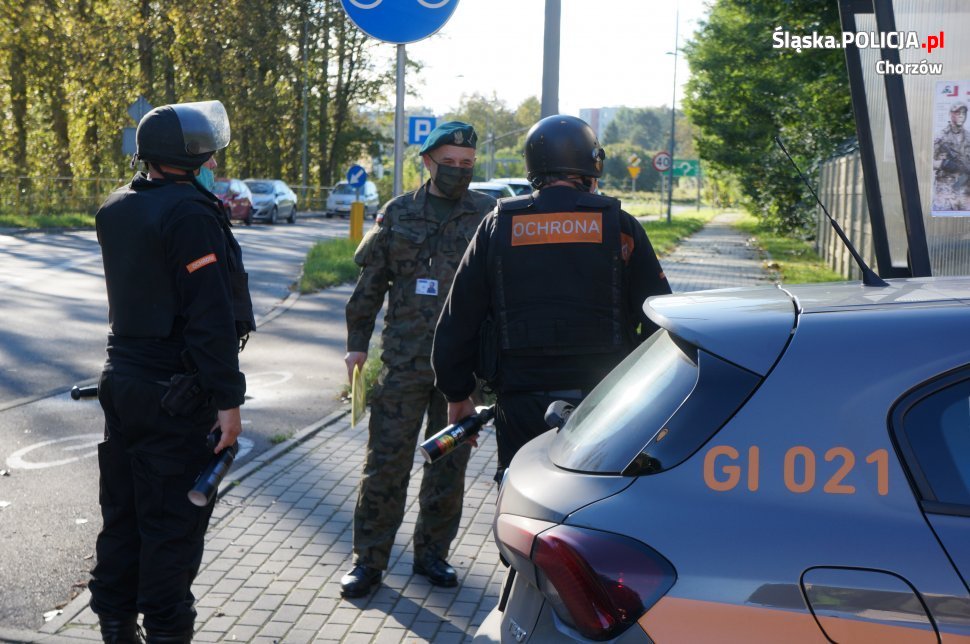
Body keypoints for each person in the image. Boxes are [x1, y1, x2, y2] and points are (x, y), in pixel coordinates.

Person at [90, 100, 255, 644]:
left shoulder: (117, 206)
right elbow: (209, 319)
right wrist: (228, 403)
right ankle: (165, 632)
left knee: (124, 516)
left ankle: (115, 626)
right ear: (191, 156)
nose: (212, 160)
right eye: (206, 153)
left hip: (124, 381)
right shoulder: (190, 213)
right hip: (177, 395)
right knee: (171, 532)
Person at [431, 114, 671, 483]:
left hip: (520, 402)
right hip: (605, 402)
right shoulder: (620, 226)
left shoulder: (497, 225)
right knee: (596, 495)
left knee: (523, 497)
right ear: (590, 168)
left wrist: (456, 392)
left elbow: (458, 319)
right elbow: (660, 318)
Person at [341, 121, 496, 598]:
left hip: (460, 374)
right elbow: (369, 289)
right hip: (404, 364)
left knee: (447, 467)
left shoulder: (490, 215)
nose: (456, 171)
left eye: (465, 164)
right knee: (385, 464)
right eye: (448, 163)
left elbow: (502, 295)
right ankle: (368, 562)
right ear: (428, 162)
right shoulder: (399, 213)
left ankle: (432, 555)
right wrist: (356, 345)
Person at [933, 102, 970, 212]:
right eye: (957, 112)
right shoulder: (940, 136)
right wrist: (942, 164)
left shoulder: (968, 137)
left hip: (965, 191)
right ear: (950, 114)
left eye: (963, 113)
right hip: (945, 191)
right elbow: (923, 160)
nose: (961, 115)